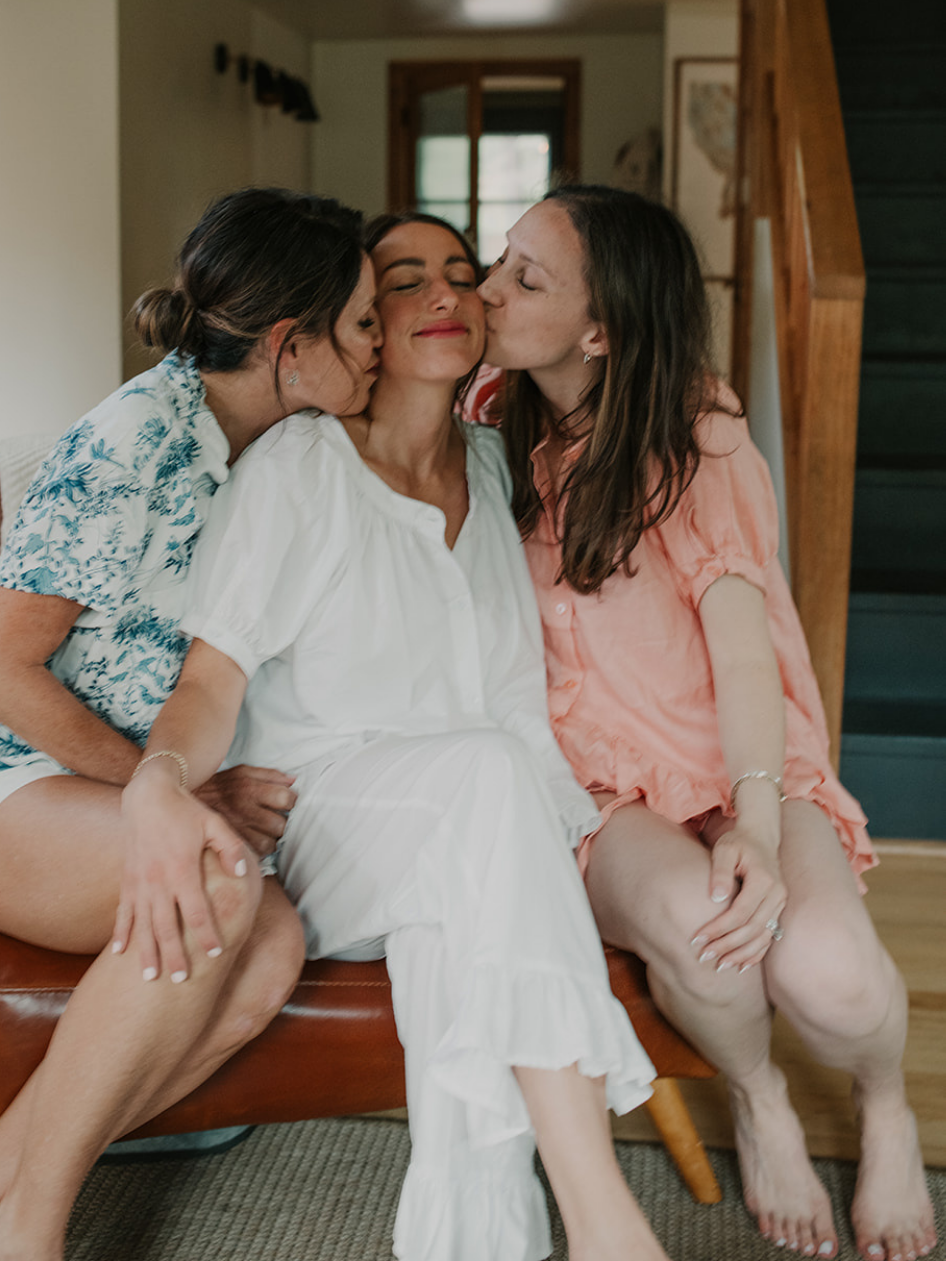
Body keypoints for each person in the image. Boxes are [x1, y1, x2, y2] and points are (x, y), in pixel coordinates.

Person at [110, 212, 668, 1261]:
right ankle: (606, 1223)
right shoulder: (301, 466)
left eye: (463, 271)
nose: (447, 293)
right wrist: (159, 781)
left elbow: (513, 702)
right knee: (483, 789)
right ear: (361, 322)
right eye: (406, 280)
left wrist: (562, 840)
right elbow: (211, 678)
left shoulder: (494, 470)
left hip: (468, 831)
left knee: (458, 922)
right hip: (322, 826)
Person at [0, 188, 379, 1261]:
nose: (379, 344)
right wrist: (173, 791)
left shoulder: (287, 444)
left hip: (121, 788)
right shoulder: (134, 437)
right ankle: (29, 1229)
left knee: (272, 949)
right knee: (212, 880)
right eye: (361, 323)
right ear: (290, 346)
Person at [477, 185, 934, 1261]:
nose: (487, 289)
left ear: (600, 330)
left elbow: (742, 651)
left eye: (523, 278)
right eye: (499, 261)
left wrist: (757, 828)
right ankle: (760, 1094)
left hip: (736, 761)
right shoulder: (486, 416)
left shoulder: (698, 428)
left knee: (831, 973)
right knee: (709, 943)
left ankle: (886, 1103)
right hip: (596, 785)